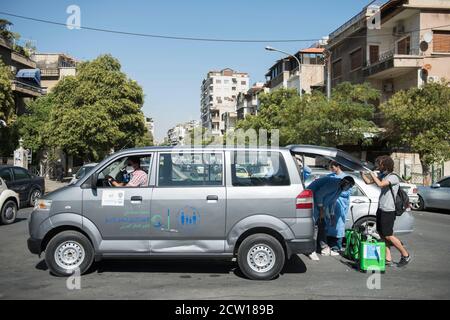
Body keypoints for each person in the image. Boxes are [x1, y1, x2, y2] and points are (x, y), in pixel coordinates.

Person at [360, 155, 411, 267]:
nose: (378, 165)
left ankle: (405, 255)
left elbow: (380, 184)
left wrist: (373, 174)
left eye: (380, 164)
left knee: (388, 235)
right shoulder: (383, 175)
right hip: (381, 208)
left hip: (389, 210)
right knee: (382, 234)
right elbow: (368, 182)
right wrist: (362, 173)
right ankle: (388, 258)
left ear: (386, 165)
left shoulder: (393, 177)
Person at [307, 175, 355, 259]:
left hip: (319, 204)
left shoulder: (340, 188)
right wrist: (321, 209)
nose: (349, 188)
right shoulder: (333, 184)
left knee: (322, 225)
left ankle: (324, 247)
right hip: (312, 201)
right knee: (314, 227)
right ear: (346, 183)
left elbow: (332, 201)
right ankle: (311, 250)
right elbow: (318, 194)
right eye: (350, 186)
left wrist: (332, 215)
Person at [326, 161, 351, 253]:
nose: (331, 169)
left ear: (338, 166)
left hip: (340, 205)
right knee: (330, 224)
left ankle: (337, 246)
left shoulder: (346, 177)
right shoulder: (331, 176)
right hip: (330, 204)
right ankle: (329, 245)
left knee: (339, 225)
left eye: (332, 167)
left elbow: (347, 192)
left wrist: (336, 191)